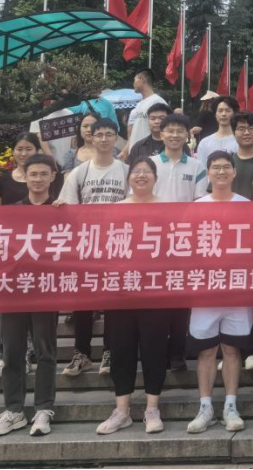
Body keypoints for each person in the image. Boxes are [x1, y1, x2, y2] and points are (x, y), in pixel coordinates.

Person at [0, 154, 61, 437]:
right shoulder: (10, 212)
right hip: (13, 291)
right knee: (12, 352)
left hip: (46, 290)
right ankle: (14, 410)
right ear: (25, 177)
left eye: (43, 174)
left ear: (52, 177)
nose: (38, 179)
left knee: (45, 352)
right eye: (33, 174)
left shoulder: (61, 211)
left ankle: (43, 408)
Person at [96, 157, 170, 435]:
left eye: (146, 171)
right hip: (121, 292)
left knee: (154, 349)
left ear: (155, 177)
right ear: (128, 178)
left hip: (155, 292)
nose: (141, 176)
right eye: (136, 171)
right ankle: (122, 410)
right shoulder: (116, 209)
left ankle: (152, 409)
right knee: (121, 351)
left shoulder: (167, 208)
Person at [186, 152, 253, 434]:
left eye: (226, 167)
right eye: (216, 167)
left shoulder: (247, 206)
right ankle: (205, 407)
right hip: (205, 291)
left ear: (234, 172)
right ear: (208, 173)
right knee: (206, 349)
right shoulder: (196, 207)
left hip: (237, 289)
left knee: (231, 349)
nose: (221, 172)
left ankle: (230, 406)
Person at [58, 118, 129, 378]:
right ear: (91, 136)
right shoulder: (80, 172)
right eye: (99, 134)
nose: (104, 139)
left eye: (109, 134)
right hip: (86, 246)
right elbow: (69, 209)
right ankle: (82, 353)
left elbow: (135, 206)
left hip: (117, 245)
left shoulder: (126, 171)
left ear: (116, 138)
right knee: (83, 302)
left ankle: (109, 350)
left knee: (112, 301)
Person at [150, 114, 207, 371]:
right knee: (158, 298)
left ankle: (177, 353)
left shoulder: (197, 166)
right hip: (154, 241)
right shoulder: (149, 164)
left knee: (182, 298)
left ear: (187, 135)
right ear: (161, 134)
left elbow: (200, 203)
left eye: (179, 131)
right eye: (170, 131)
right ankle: (157, 351)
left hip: (185, 241)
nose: (174, 135)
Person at [123, 68, 168, 158]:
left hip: (149, 153)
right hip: (136, 152)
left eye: (134, 80)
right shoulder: (140, 104)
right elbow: (136, 130)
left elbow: (164, 130)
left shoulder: (157, 101)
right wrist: (125, 150)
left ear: (142, 79)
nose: (133, 84)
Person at [196, 96, 240, 164]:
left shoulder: (240, 141)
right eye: (220, 111)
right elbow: (202, 168)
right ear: (215, 114)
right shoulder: (205, 143)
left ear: (234, 113)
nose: (223, 114)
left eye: (228, 111)